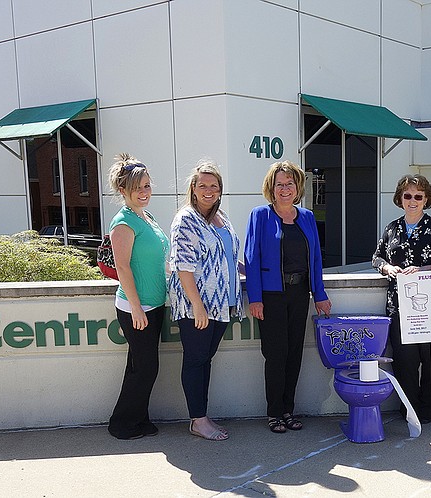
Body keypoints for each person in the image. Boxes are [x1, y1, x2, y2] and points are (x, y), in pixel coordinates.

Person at [245, 160, 331, 434]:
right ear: (271, 188)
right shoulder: (260, 215)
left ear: (298, 187)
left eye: (289, 183)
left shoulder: (306, 217)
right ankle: (273, 412)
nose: (284, 189)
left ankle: (288, 410)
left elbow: (315, 258)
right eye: (279, 184)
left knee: (294, 353)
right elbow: (251, 258)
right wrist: (255, 298)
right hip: (270, 296)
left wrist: (319, 294)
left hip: (298, 293)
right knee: (275, 354)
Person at [168, 159, 243, 441]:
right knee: (196, 359)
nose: (208, 190)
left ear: (220, 189)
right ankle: (198, 420)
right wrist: (197, 306)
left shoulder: (221, 216)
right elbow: (182, 266)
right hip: (196, 306)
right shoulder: (186, 219)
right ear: (194, 188)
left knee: (205, 360)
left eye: (214, 185)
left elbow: (228, 256)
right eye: (203, 185)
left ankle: (201, 415)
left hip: (222, 304)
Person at [372, 174, 431, 423]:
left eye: (418, 196)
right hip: (399, 307)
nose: (412, 200)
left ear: (426, 199)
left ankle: (429, 412)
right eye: (407, 195)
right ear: (400, 198)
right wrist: (387, 268)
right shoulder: (392, 228)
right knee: (405, 363)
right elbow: (376, 258)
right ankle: (409, 409)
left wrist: (424, 270)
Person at [106, 153, 169, 440]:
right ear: (123, 191)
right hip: (136, 306)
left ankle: (138, 419)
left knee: (139, 366)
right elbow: (123, 267)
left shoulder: (147, 217)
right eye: (137, 188)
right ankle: (122, 425)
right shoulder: (123, 222)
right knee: (146, 368)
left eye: (147, 186)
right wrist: (136, 309)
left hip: (154, 303)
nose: (144, 193)